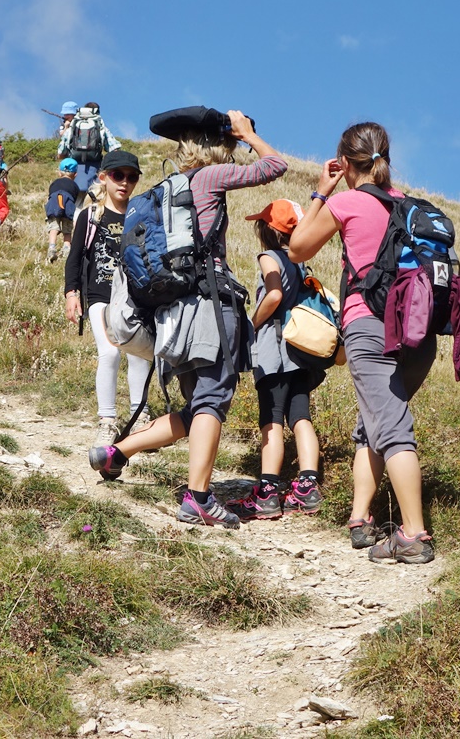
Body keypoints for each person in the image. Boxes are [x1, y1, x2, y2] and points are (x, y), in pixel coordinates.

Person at [87, 112, 287, 528]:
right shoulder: (209, 178)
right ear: (215, 147)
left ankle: (118, 452)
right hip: (213, 306)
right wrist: (250, 134)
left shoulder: (166, 189)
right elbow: (275, 166)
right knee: (213, 400)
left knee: (197, 405)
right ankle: (197, 497)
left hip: (174, 315)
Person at [287, 122, 437, 564]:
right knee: (372, 421)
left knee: (390, 426)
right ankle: (360, 519)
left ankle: (414, 535)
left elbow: (297, 249)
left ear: (347, 163)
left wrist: (321, 193)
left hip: (369, 326)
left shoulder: (348, 202)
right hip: (418, 332)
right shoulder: (408, 206)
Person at [229, 199, 327, 521]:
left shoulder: (269, 257)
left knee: (271, 418)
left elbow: (273, 295)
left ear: (269, 231)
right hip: (302, 353)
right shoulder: (300, 262)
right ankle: (308, 486)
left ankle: (268, 493)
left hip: (275, 351)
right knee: (301, 417)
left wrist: (250, 326)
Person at [65, 150, 153, 450]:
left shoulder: (141, 215)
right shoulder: (90, 216)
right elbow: (75, 258)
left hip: (136, 298)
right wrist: (71, 293)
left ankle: (140, 417)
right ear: (103, 177)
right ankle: (107, 421)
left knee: (140, 354)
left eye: (132, 177)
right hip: (100, 296)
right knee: (110, 353)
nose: (124, 183)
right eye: (118, 175)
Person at [58, 101, 121, 214]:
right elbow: (114, 149)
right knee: (95, 206)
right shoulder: (100, 127)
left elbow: (60, 153)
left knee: (76, 207)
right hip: (95, 173)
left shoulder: (73, 127)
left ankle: (76, 228)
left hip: (74, 174)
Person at [46, 158, 78, 263]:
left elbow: (50, 196)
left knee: (53, 227)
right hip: (68, 205)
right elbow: (74, 199)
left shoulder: (54, 183)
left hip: (54, 204)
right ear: (75, 174)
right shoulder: (75, 186)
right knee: (67, 230)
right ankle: (66, 249)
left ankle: (52, 248)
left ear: (60, 173)